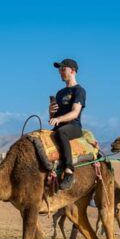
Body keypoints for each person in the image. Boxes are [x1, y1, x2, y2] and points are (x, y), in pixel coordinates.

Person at [49, 58, 86, 191]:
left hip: (73, 127)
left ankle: (69, 172)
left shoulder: (79, 91)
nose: (60, 72)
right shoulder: (59, 93)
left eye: (63, 69)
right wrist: (51, 113)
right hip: (59, 126)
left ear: (73, 71)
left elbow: (75, 113)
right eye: (60, 69)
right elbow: (53, 117)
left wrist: (59, 119)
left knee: (61, 132)